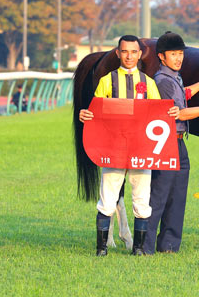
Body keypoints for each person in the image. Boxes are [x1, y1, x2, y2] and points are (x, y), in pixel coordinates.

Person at [143, 31, 199, 254]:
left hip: (179, 143)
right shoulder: (162, 80)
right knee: (159, 196)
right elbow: (180, 114)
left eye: (180, 53)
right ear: (161, 57)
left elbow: (185, 94)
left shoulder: (175, 77)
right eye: (173, 54)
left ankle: (169, 246)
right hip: (166, 144)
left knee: (177, 196)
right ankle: (144, 246)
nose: (179, 58)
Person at [79, 35, 162, 256]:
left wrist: (170, 113)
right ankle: (101, 248)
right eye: (125, 51)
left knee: (142, 201)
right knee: (107, 200)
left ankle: (138, 249)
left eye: (133, 52)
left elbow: (158, 116)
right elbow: (95, 112)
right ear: (118, 53)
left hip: (141, 150)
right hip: (113, 150)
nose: (129, 56)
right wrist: (86, 114)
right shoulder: (107, 81)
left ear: (140, 54)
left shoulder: (148, 83)